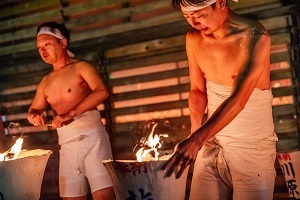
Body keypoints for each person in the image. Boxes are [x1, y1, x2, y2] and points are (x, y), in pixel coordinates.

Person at [162, 0, 278, 199]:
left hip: (251, 146)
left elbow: (238, 100)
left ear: (221, 3)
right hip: (211, 141)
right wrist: (195, 132)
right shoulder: (193, 38)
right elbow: (197, 90)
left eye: (200, 15)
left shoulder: (255, 36)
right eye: (188, 17)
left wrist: (197, 141)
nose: (194, 23)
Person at [27, 21, 115, 200]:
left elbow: (102, 91)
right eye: (39, 47)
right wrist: (34, 116)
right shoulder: (45, 81)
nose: (42, 51)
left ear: (63, 42)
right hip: (66, 147)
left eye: (47, 44)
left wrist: (70, 113)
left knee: (104, 197)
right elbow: (33, 109)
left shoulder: (81, 67)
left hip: (93, 140)